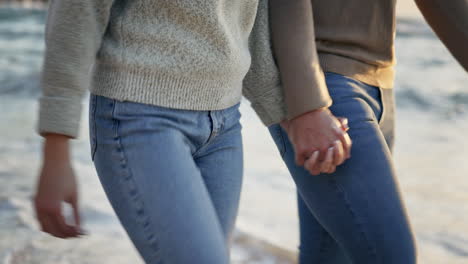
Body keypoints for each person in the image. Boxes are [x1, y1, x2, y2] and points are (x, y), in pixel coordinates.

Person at [34, 1, 346, 263]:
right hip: (139, 118)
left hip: (224, 128)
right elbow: (78, 13)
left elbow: (251, 26)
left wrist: (292, 119)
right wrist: (56, 147)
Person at [245, 0, 467, 263]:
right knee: (393, 256)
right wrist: (307, 105)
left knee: (329, 257)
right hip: (323, 87)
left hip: (378, 84)